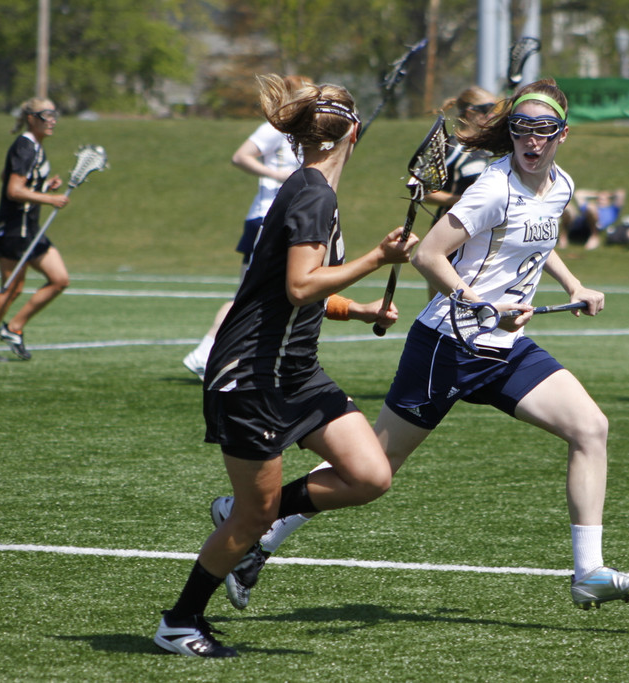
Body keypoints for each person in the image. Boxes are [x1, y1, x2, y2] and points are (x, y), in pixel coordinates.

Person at [209, 79, 629, 615]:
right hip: (447, 343)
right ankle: (255, 529)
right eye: (521, 130)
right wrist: (480, 303)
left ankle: (589, 572)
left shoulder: (560, 184)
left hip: (504, 346)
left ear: (563, 133)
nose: (532, 142)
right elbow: (429, 256)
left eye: (543, 131)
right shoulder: (493, 187)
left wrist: (573, 285)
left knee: (590, 427)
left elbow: (540, 238)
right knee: (377, 466)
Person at [153, 75, 419, 658]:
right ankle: (180, 620)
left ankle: (245, 514)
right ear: (355, 132)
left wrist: (357, 308)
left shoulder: (310, 187)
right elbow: (300, 286)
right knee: (254, 520)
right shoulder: (313, 195)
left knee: (370, 474)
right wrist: (380, 257)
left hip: (295, 370)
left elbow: (288, 288)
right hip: (251, 375)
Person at [181, 75, 313, 380]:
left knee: (262, 294)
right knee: (246, 295)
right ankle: (206, 353)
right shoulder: (273, 128)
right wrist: (277, 175)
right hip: (266, 217)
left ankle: (234, 356)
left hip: (282, 218)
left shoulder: (301, 133)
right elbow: (240, 156)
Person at [0, 98, 71, 362]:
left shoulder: (34, 148)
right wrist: (50, 199)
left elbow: (7, 177)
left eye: (54, 114)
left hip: (30, 228)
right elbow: (13, 190)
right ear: (32, 118)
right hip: (15, 230)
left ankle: (13, 328)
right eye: (47, 115)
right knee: (11, 289)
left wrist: (44, 186)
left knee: (60, 280)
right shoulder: (25, 147)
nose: (53, 120)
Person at [421, 85, 498, 299]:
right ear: (471, 111)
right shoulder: (451, 146)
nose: (493, 115)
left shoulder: (490, 148)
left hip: (484, 234)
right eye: (488, 109)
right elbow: (424, 192)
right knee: (440, 303)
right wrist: (461, 200)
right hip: (450, 230)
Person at [559, 188, 625, 250]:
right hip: (581, 223)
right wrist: (597, 194)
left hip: (596, 225)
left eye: (604, 199)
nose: (601, 200)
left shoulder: (613, 210)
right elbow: (578, 194)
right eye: (599, 199)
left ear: (609, 200)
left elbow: (621, 193)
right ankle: (564, 235)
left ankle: (594, 236)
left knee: (591, 207)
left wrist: (609, 194)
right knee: (567, 207)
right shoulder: (593, 206)